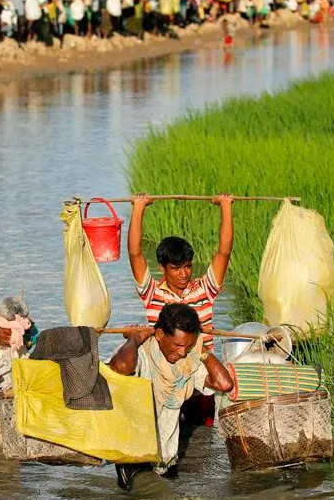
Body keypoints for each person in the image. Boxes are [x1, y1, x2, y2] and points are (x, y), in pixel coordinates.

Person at [107, 303, 233, 491]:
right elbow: (121, 367)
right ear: (159, 335)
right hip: (135, 457)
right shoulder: (141, 352)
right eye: (178, 345)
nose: (182, 352)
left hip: (166, 458)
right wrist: (133, 339)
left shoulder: (188, 362)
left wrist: (203, 349)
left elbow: (224, 384)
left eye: (188, 345)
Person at [127, 193, 234, 353]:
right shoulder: (151, 293)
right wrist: (139, 207)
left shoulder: (204, 290)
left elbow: (224, 252)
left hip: (201, 365)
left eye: (187, 267)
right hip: (164, 366)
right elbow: (135, 253)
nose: (184, 274)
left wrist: (225, 205)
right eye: (176, 268)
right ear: (162, 268)